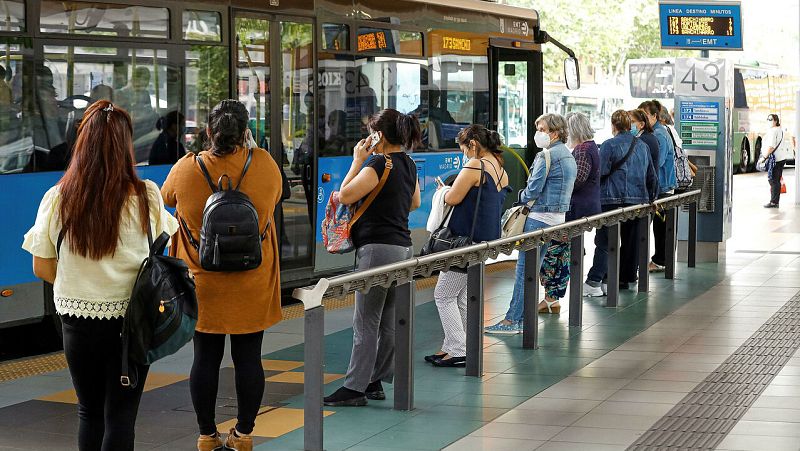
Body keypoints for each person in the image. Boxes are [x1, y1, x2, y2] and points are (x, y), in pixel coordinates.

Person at [22, 100, 178, 451]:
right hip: (132, 322)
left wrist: (82, 281)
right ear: (125, 146)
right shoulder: (146, 196)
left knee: (89, 412)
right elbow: (161, 248)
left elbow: (41, 265)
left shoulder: (58, 197)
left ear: (82, 144)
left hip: (77, 322)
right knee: (121, 417)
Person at [161, 100, 283, 451]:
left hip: (203, 282)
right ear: (246, 131)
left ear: (208, 132)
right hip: (252, 280)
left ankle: (207, 435)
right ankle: (243, 435)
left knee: (205, 358)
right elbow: (274, 198)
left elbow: (169, 198)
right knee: (249, 358)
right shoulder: (264, 165)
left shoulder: (187, 168)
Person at [324, 109, 422, 406]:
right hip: (402, 248)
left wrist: (356, 161)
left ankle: (354, 388)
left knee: (366, 320)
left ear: (377, 134)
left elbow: (345, 195)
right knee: (388, 321)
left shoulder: (378, 162)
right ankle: (375, 381)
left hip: (376, 249)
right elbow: (414, 203)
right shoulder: (409, 164)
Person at [485, 114, 576, 333]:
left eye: (541, 129)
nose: (538, 133)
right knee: (534, 269)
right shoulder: (568, 156)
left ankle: (512, 320)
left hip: (537, 219)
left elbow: (533, 190)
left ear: (554, 132)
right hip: (557, 220)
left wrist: (521, 195)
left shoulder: (547, 156)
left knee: (524, 270)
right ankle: (522, 317)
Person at [427, 125, 510, 366]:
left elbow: (453, 198)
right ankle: (453, 346)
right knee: (461, 297)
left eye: (463, 148)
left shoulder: (475, 165)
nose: (463, 153)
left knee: (442, 295)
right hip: (484, 239)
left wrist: (443, 191)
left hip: (464, 241)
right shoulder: (499, 167)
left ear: (472, 145)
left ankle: (459, 350)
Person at [584, 110, 659, 297]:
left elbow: (600, 172)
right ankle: (620, 279)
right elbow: (652, 176)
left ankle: (595, 280)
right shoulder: (642, 146)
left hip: (611, 200)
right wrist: (652, 199)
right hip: (637, 202)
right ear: (629, 126)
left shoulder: (609, 145)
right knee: (629, 242)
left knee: (605, 242)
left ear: (613, 125)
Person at [538, 112, 601, 312]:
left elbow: (578, 178)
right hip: (585, 207)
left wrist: (558, 183)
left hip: (575, 209)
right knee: (563, 252)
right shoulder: (592, 148)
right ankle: (552, 298)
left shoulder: (582, 150)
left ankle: (552, 297)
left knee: (555, 253)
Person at [639, 100, 674, 273]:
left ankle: (661, 260)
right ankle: (660, 259)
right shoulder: (659, 131)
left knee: (661, 228)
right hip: (661, 186)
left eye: (645, 115)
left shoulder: (659, 134)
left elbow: (657, 162)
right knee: (659, 227)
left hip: (662, 188)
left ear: (654, 116)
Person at [761, 113, 788, 208]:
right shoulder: (780, 130)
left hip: (775, 159)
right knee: (776, 180)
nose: (769, 121)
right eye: (768, 119)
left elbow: (771, 146)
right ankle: (776, 201)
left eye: (771, 119)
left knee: (773, 180)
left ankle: (774, 202)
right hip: (781, 158)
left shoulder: (773, 131)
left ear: (775, 121)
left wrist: (764, 157)